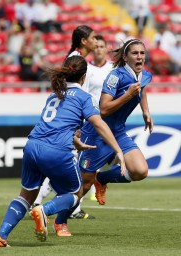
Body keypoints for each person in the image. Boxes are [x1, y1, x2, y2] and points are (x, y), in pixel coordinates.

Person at [0, 55, 126, 247]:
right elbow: (98, 124)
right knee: (75, 193)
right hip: (57, 150)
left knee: (25, 196)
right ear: (84, 76)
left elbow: (56, 125)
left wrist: (76, 142)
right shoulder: (84, 97)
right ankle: (44, 211)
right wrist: (118, 150)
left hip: (33, 146)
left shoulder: (55, 94)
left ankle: (0, 236)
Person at [31, 25, 98, 220]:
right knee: (67, 164)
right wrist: (76, 126)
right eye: (93, 38)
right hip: (70, 122)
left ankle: (39, 202)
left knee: (65, 166)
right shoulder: (76, 61)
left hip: (69, 120)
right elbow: (73, 93)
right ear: (83, 41)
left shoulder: (78, 58)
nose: (96, 41)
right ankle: (48, 204)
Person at [78, 39, 154, 206]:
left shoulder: (145, 75)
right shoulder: (115, 76)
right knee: (84, 184)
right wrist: (127, 95)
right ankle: (56, 217)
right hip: (98, 132)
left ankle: (102, 178)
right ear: (125, 57)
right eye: (135, 53)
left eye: (142, 53)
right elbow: (103, 109)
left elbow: (142, 88)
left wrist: (146, 112)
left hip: (118, 132)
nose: (140, 56)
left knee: (140, 171)